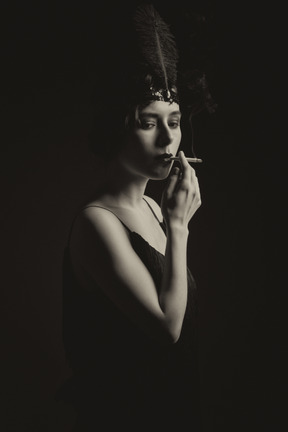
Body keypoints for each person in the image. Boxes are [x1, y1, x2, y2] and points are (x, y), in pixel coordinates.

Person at [59, 4, 215, 431]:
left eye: (175, 122)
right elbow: (167, 329)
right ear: (117, 127)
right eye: (149, 123)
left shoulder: (150, 207)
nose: (168, 138)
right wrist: (179, 227)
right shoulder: (98, 223)